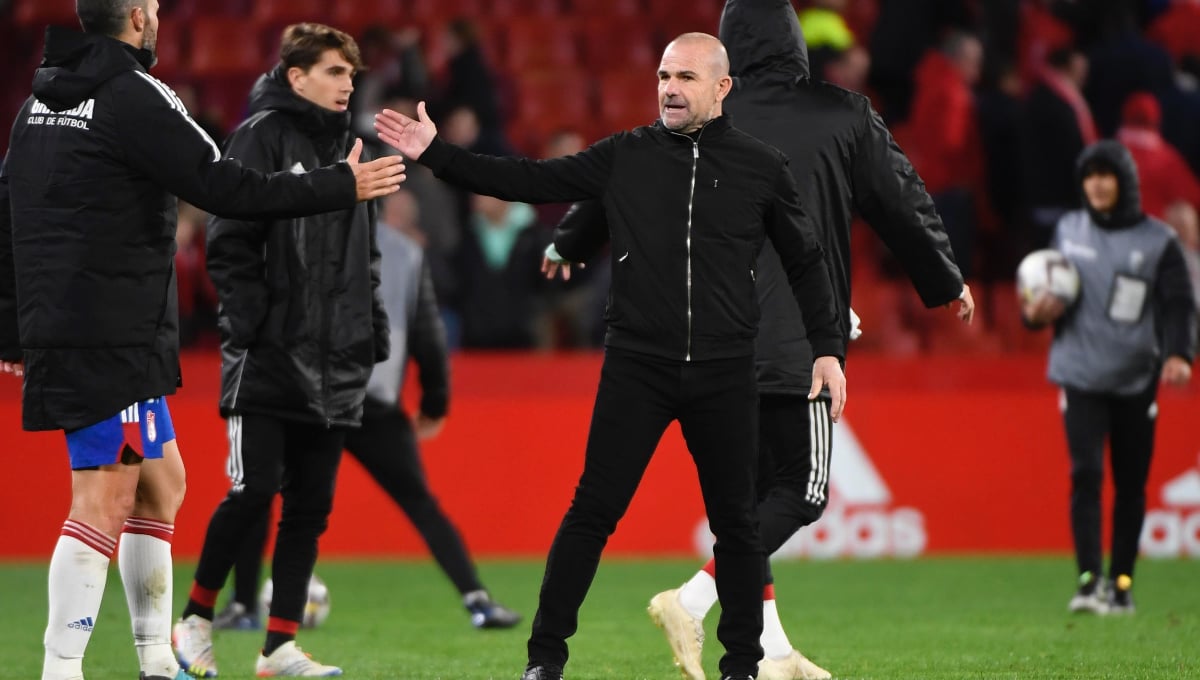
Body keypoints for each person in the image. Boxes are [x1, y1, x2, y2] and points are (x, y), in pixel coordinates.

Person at [376, 32, 848, 680]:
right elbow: (527, 180)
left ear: (722, 87)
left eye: (685, 78)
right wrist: (437, 154)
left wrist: (827, 350)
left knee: (737, 526)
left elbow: (806, 260)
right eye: (663, 77)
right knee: (593, 512)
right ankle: (545, 659)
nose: (670, 89)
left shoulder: (761, 166)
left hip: (724, 371)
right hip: (639, 367)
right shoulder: (626, 154)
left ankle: (741, 667)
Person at [545, 2, 973, 678]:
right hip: (797, 337)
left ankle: (771, 650)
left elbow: (623, 175)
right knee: (803, 490)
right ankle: (693, 597)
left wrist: (570, 240)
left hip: (716, 342)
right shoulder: (842, 115)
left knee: (744, 508)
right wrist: (943, 277)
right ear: (796, 42)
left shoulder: (704, 117)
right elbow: (901, 200)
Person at [0, 2, 404, 679]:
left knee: (162, 484)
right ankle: (61, 668)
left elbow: (6, 207)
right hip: (113, 330)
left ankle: (159, 660)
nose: (158, 15)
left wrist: (13, 325)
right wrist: (339, 185)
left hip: (82, 324)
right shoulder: (134, 94)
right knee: (104, 498)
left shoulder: (38, 104)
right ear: (136, 17)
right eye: (155, 7)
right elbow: (222, 186)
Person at [170, 22, 394, 678]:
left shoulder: (353, 146)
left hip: (337, 354)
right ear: (297, 77)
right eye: (334, 71)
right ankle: (194, 621)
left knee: (309, 509)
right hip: (269, 352)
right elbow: (228, 237)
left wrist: (371, 325)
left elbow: (365, 253)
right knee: (254, 490)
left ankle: (279, 648)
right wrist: (252, 321)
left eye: (351, 73)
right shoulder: (259, 136)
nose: (347, 83)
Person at [210, 188, 522, 633]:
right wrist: (434, 400)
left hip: (308, 392)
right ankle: (478, 600)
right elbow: (428, 331)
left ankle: (243, 605)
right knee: (418, 501)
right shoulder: (408, 253)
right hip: (374, 397)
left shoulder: (308, 233)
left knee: (261, 491)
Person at [1022, 140, 1195, 615]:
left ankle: (1121, 584)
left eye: (1106, 175)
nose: (1097, 185)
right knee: (1086, 475)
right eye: (1090, 176)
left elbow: (1179, 303)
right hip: (1079, 375)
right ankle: (1087, 581)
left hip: (1136, 378)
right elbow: (1042, 297)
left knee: (1131, 484)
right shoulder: (1068, 229)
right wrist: (1034, 315)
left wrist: (1180, 353)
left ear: (1125, 182)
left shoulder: (1158, 241)